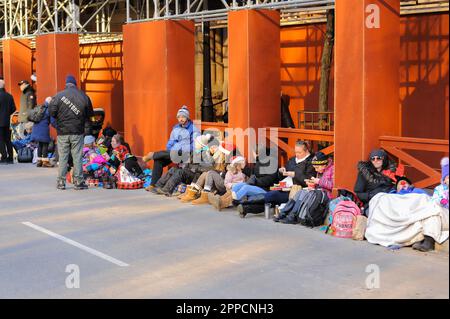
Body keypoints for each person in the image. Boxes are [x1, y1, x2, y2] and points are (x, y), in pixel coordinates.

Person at [49, 75, 94, 190]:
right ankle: (78, 182)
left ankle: (61, 182)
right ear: (75, 84)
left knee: (63, 157)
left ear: (66, 84)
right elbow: (89, 115)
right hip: (77, 132)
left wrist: (58, 123)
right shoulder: (83, 96)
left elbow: (51, 112)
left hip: (63, 132)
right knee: (77, 156)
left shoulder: (59, 96)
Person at [143, 105, 200, 191]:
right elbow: (171, 141)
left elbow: (195, 145)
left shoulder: (193, 129)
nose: (181, 119)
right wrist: (170, 149)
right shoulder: (176, 127)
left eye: (183, 117)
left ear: (187, 117)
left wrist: (181, 148)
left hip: (186, 154)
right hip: (173, 153)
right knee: (159, 160)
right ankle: (153, 185)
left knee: (166, 154)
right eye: (179, 117)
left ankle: (153, 154)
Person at [264, 140, 315, 207]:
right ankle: (247, 205)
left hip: (296, 191)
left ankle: (247, 205)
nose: (297, 154)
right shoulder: (292, 160)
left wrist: (294, 175)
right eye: (296, 152)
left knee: (269, 196)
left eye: (299, 152)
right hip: (283, 187)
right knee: (268, 196)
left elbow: (309, 180)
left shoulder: (310, 162)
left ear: (306, 151)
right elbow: (282, 175)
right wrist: (281, 171)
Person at [353, 149, 402, 215]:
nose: (375, 161)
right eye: (373, 159)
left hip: (389, 202)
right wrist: (371, 195)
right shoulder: (365, 173)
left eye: (378, 158)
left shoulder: (392, 171)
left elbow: (399, 185)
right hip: (371, 203)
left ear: (384, 159)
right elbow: (358, 193)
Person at [31, 97, 56, 167]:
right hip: (43, 129)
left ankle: (39, 161)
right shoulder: (49, 110)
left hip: (35, 129)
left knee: (40, 144)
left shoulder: (40, 107)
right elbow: (53, 121)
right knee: (45, 144)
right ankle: (45, 161)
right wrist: (59, 127)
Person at [0, 79, 16, 164]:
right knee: (8, 140)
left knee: (0, 140)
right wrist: (6, 114)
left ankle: (4, 157)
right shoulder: (9, 96)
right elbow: (14, 108)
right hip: (7, 121)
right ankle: (10, 158)